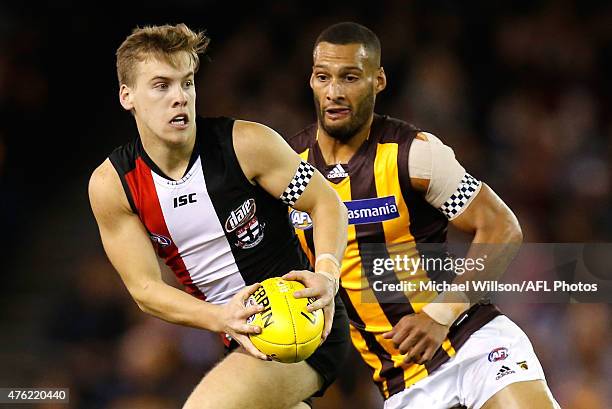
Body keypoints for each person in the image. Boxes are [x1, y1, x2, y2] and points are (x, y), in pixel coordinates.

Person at [288, 22, 560, 409]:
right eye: (323, 77)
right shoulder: (287, 169)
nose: (334, 92)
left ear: (378, 80)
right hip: (403, 386)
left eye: (350, 77)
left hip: (472, 343)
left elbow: (501, 227)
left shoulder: (414, 154)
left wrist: (439, 315)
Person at [88, 23, 350, 409]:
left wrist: (327, 277)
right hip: (239, 341)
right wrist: (220, 318)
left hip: (304, 322)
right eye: (162, 85)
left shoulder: (244, 146)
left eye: (187, 82)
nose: (180, 98)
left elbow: (324, 204)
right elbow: (145, 289)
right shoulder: (115, 186)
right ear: (128, 96)